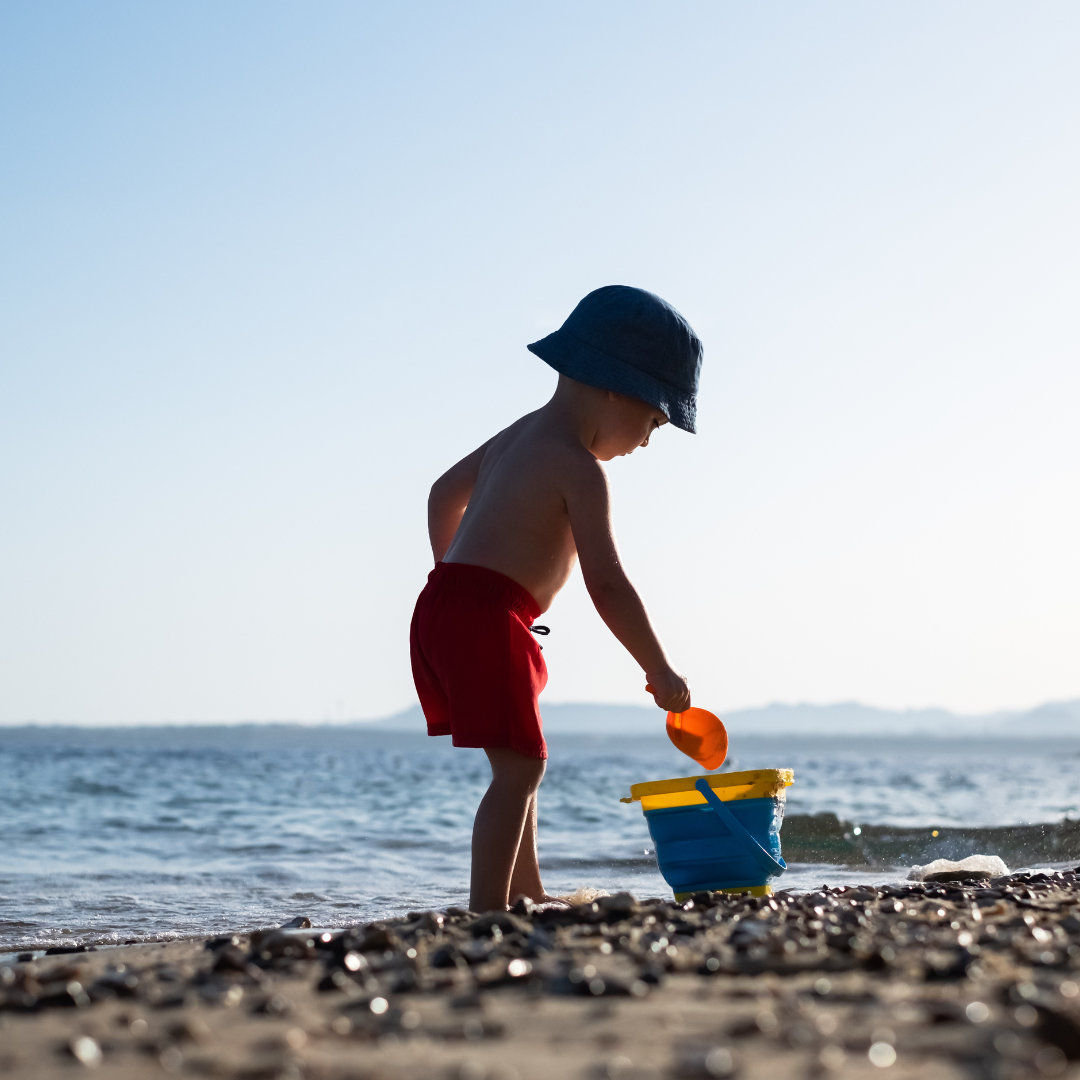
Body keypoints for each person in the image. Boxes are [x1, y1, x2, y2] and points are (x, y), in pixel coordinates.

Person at [410, 285, 702, 912]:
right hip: (488, 613)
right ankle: (487, 911)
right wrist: (658, 667)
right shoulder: (578, 468)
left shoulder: (519, 435)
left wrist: (450, 573)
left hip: (443, 605)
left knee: (522, 760)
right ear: (617, 388)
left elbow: (441, 495)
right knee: (519, 772)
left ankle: (527, 892)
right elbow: (609, 584)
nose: (648, 442)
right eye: (654, 421)